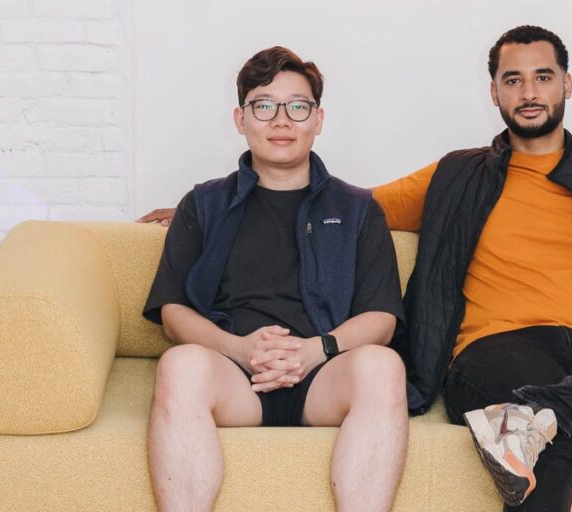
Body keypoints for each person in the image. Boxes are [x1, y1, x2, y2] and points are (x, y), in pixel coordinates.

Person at [140, 27, 572, 512]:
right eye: (513, 79)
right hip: (495, 354)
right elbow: (332, 201)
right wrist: (210, 206)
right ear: (494, 91)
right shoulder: (455, 176)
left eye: (542, 76)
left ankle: (546, 413)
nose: (529, 91)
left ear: (567, 84)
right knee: (537, 412)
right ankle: (544, 413)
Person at [141, 46, 408, 512]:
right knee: (180, 364)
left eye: (297, 107)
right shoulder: (203, 204)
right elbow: (173, 312)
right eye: (263, 106)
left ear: (318, 119)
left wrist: (314, 350)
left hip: (324, 377)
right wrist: (239, 349)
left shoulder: (356, 208)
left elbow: (382, 318)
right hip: (235, 377)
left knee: (382, 366)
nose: (281, 120)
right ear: (240, 119)